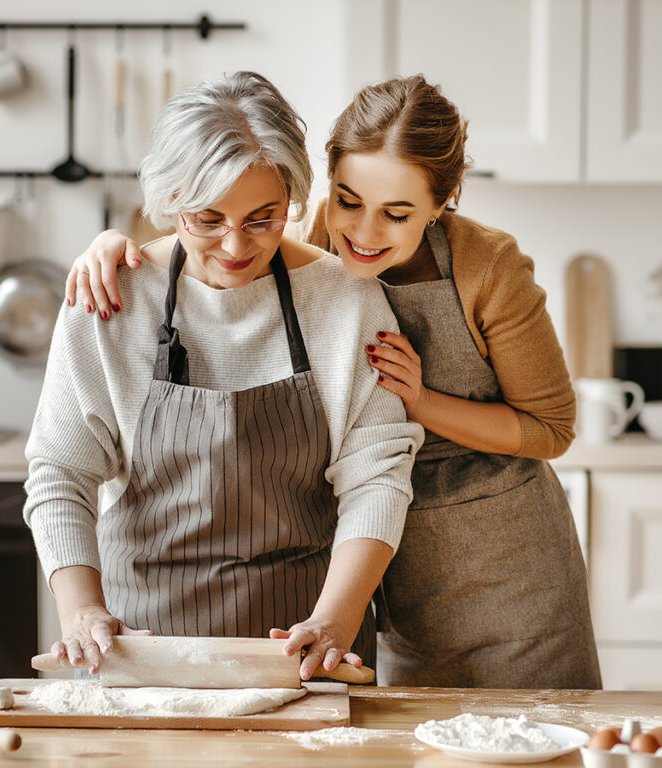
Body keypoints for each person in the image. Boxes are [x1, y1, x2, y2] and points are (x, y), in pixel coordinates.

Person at [63, 74, 601, 689]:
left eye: (397, 214)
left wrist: (419, 402)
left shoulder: (487, 268)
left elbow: (550, 429)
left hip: (503, 564)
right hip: (385, 567)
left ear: (445, 199)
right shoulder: (315, 244)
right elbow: (224, 233)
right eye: (348, 200)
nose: (364, 234)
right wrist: (118, 249)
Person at [24, 71, 422, 680]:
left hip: (303, 651)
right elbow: (61, 472)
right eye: (207, 219)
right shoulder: (110, 300)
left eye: (264, 218)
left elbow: (377, 477)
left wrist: (336, 621)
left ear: (292, 198)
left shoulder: (347, 303)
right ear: (169, 202)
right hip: (140, 651)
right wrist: (81, 612)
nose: (236, 245)